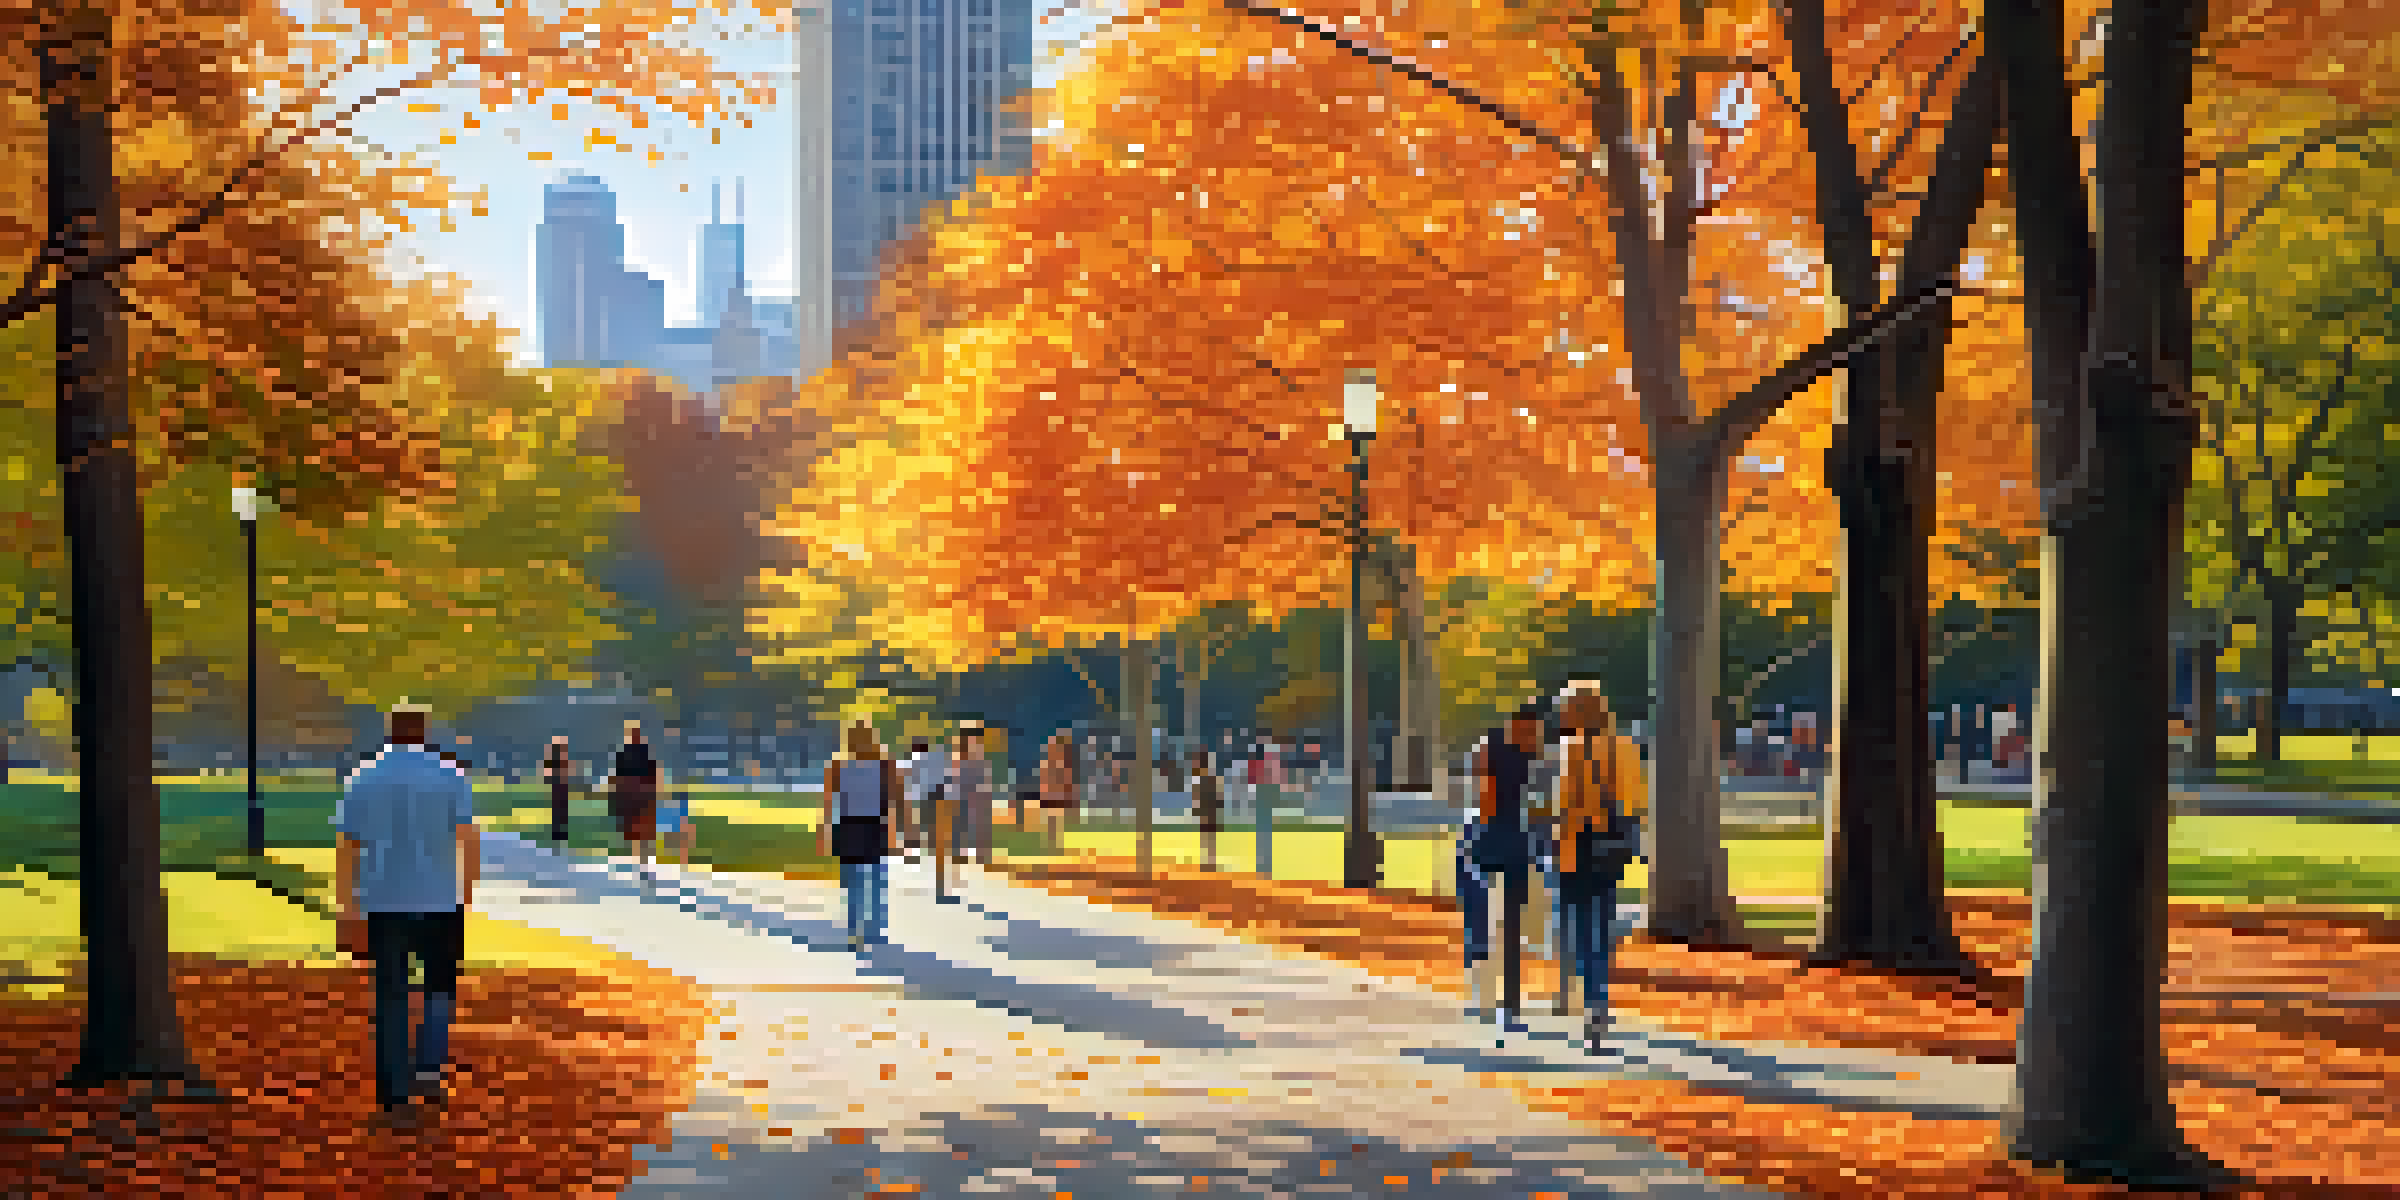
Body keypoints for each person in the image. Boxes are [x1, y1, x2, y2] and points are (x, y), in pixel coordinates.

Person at [333, 700, 477, 1126]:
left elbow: (347, 845)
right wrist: (466, 891)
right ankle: (429, 1069)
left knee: (391, 993)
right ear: (426, 731)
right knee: (438, 987)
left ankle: (395, 1091)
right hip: (438, 898)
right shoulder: (451, 776)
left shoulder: (363, 776)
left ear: (389, 731)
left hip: (382, 897)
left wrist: (347, 905)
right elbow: (468, 836)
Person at [1553, 682, 1649, 1051]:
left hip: (1576, 847)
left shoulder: (1571, 749)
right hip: (1611, 848)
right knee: (1601, 926)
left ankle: (1590, 999)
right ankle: (1600, 1001)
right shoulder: (1624, 749)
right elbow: (1633, 802)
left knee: (1578, 931)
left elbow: (1564, 804)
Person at [1469, 701, 1546, 1032]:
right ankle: (1502, 995)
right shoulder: (1522, 752)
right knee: (1506, 920)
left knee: (1499, 919)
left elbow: (1484, 796)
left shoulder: (1495, 747)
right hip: (1512, 838)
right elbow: (1487, 794)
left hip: (1503, 838)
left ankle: (1499, 994)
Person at [821, 721, 901, 951]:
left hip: (850, 826)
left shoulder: (839, 765)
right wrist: (894, 831)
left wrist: (825, 829)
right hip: (874, 825)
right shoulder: (884, 765)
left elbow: (828, 802)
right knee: (874, 880)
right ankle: (874, 930)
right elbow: (893, 802)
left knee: (854, 882)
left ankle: (855, 931)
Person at [610, 722, 661, 880]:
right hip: (634, 796)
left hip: (641, 796)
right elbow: (619, 777)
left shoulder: (640, 751)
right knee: (636, 831)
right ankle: (640, 864)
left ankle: (643, 864)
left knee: (642, 831)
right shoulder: (627, 753)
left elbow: (652, 774)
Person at [951, 721, 992, 868]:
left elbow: (985, 779)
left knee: (979, 824)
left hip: (977, 796)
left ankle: (982, 855)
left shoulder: (980, 758)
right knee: (961, 824)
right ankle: (959, 856)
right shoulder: (958, 757)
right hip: (962, 796)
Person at [1038, 732, 1077, 855]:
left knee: (1058, 823)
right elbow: (1045, 777)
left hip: (1058, 796)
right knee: (1052, 823)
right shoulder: (1053, 761)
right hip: (1052, 796)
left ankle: (1055, 846)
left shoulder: (1064, 761)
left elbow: (1068, 779)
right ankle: (1051, 846)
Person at [1189, 749, 1224, 871]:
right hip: (1209, 812)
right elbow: (1218, 798)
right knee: (1208, 838)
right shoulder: (1211, 779)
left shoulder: (1203, 780)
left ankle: (1208, 862)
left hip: (1208, 811)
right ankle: (1209, 862)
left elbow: (1197, 797)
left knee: (1207, 838)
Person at [541, 735, 574, 847]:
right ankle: (559, 836)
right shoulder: (554, 756)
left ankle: (560, 836)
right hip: (558, 786)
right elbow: (548, 771)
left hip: (560, 786)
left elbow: (550, 771)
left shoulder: (558, 756)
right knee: (558, 810)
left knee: (560, 810)